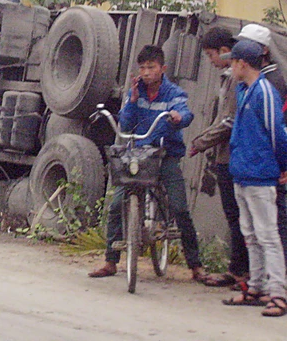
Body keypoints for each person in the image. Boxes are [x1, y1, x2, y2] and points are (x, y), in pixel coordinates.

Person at [89, 45, 207, 282]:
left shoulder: (174, 92)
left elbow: (185, 113)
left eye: (151, 67)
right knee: (115, 205)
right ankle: (111, 261)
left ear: (162, 68)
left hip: (164, 155)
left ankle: (195, 266)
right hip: (137, 155)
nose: (146, 72)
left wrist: (179, 117)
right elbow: (125, 124)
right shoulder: (134, 91)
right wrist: (132, 100)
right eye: (142, 67)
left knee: (179, 208)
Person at [219, 39, 287, 316]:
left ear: (242, 63)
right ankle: (257, 286)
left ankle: (279, 292)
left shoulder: (264, 92)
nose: (230, 66)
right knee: (251, 234)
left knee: (268, 235)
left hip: (259, 174)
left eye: (232, 62)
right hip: (244, 172)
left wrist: (282, 165)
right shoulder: (245, 89)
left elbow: (277, 133)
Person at [188, 27, 248, 287]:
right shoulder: (229, 77)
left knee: (238, 219)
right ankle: (239, 270)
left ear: (225, 51)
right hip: (227, 156)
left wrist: (201, 142)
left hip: (232, 158)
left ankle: (240, 273)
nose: (211, 61)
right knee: (236, 218)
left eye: (212, 54)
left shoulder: (236, 79)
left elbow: (229, 121)